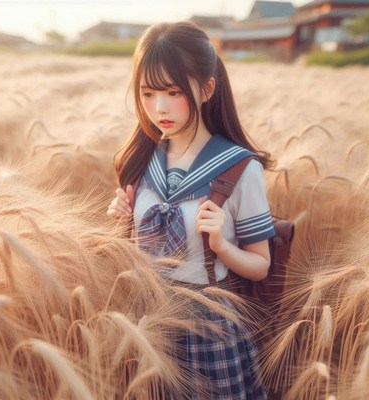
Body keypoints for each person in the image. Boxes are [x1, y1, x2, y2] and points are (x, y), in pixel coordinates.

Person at [107, 20, 275, 400]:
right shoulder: (142, 160)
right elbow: (136, 253)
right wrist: (122, 220)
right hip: (148, 322)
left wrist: (223, 245)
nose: (159, 107)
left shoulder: (239, 168)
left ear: (207, 89)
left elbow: (261, 265)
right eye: (148, 93)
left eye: (172, 91)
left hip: (209, 327)